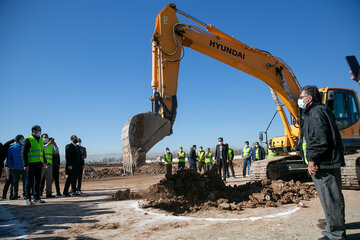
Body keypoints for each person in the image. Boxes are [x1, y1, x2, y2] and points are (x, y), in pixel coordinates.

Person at [299, 85, 346, 240]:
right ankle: (332, 229)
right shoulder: (319, 111)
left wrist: (312, 160)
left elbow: (319, 140)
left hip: (324, 163)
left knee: (331, 199)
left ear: (310, 98)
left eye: (301, 97)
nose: (300, 100)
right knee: (330, 199)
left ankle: (336, 235)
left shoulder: (316, 113)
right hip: (326, 161)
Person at [22, 125, 47, 205]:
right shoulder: (28, 139)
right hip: (31, 164)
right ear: (34, 130)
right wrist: (26, 164)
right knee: (29, 181)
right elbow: (24, 153)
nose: (40, 132)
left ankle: (36, 197)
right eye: (39, 130)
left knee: (37, 181)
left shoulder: (40, 140)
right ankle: (28, 198)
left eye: (40, 130)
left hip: (39, 163)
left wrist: (44, 161)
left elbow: (41, 151)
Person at [7, 135, 26, 200]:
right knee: (15, 182)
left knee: (25, 182)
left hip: (24, 167)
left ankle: (25, 194)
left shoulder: (25, 147)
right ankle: (15, 195)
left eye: (23, 139)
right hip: (15, 168)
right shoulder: (12, 148)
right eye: (21, 139)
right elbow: (9, 158)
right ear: (18, 140)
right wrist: (11, 166)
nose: (23, 140)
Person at [40, 133, 55, 198]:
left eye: (46, 137)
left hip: (49, 164)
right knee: (39, 180)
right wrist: (48, 143)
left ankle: (48, 193)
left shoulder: (51, 146)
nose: (45, 138)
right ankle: (37, 194)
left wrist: (55, 145)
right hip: (42, 165)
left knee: (49, 180)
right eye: (44, 137)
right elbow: (42, 149)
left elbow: (56, 151)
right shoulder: (40, 144)